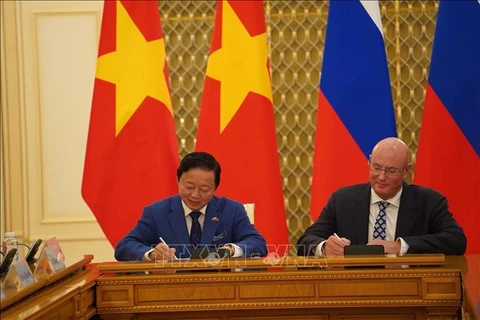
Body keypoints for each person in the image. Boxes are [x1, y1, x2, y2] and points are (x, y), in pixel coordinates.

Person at [297, 137, 466, 257]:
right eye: (376, 167)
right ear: (369, 163)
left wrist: (399, 246)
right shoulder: (342, 200)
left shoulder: (429, 202)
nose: (381, 177)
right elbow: (305, 242)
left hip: (408, 290)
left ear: (407, 170)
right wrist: (325, 247)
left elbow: (456, 241)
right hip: (353, 290)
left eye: (391, 171)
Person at [115, 152, 267, 261]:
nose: (195, 195)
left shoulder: (231, 210)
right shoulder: (156, 213)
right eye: (189, 187)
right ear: (178, 180)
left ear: (215, 187)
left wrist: (232, 250)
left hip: (221, 291)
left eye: (204, 189)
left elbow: (257, 243)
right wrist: (152, 253)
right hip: (171, 292)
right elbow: (124, 247)